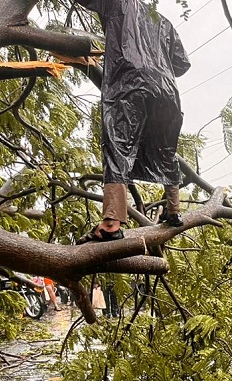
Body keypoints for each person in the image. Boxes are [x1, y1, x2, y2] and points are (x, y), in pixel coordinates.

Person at [75, 0, 190, 243]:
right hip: (166, 91)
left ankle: (111, 223)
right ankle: (174, 212)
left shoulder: (118, 3)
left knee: (118, 148)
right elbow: (181, 65)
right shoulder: (165, 23)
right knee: (165, 149)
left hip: (128, 85)